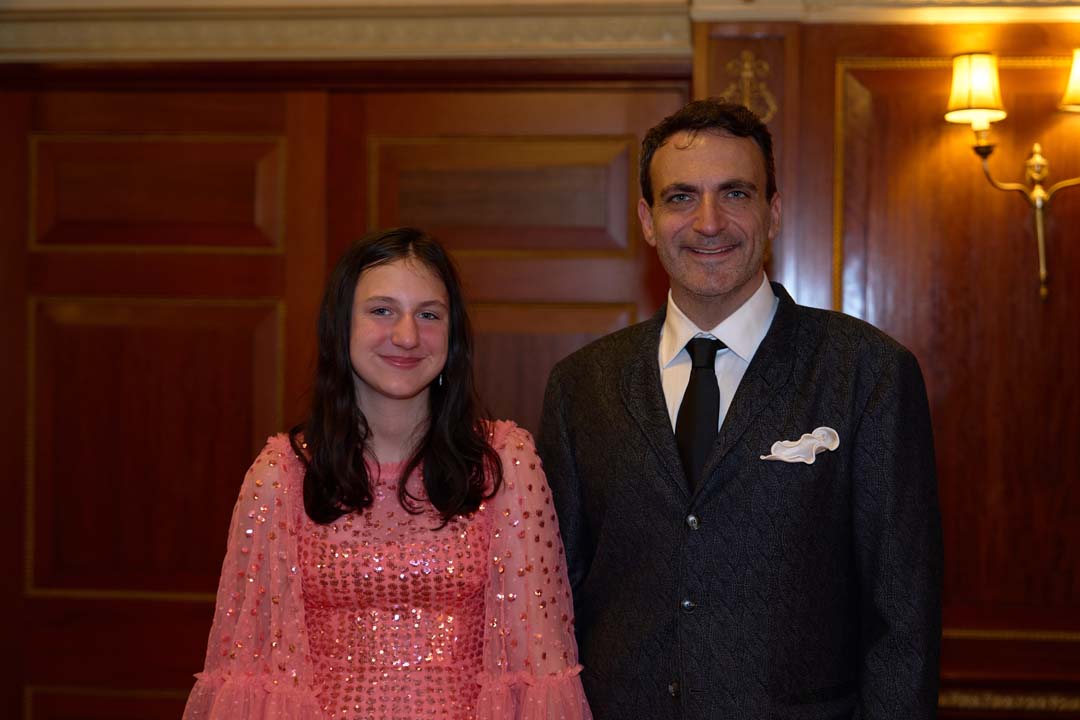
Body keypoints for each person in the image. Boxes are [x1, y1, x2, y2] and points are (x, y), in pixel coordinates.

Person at [537, 100, 942, 719]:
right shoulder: (580, 386)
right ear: (648, 220)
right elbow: (552, 603)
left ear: (772, 212)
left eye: (735, 193)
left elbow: (904, 620)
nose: (709, 222)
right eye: (681, 197)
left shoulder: (868, 372)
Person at [184, 227, 592, 720]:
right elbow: (249, 668)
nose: (407, 336)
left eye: (429, 315)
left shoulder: (504, 464)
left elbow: (539, 661)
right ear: (341, 326)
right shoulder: (282, 474)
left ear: (453, 336)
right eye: (382, 311)